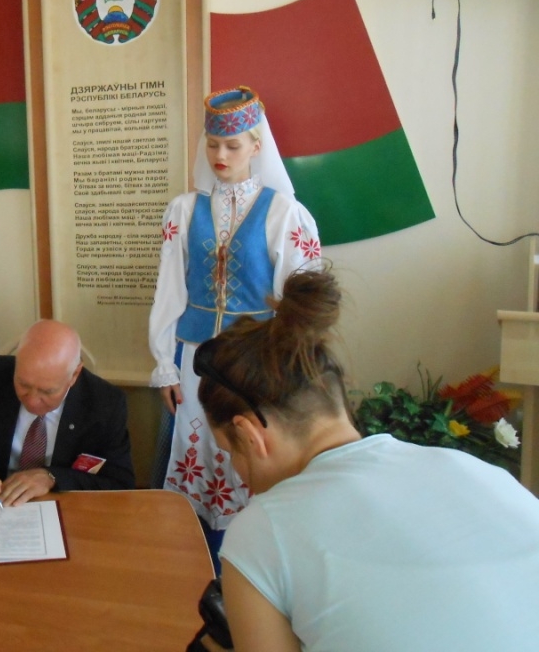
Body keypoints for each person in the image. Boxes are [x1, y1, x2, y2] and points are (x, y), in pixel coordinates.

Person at [197, 268, 539, 651]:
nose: (236, 470)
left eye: (229, 451)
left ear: (250, 435)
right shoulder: (476, 470)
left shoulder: (263, 530)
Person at [148, 86, 321, 569]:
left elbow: (300, 303)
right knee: (194, 452)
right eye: (212, 144)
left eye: (232, 145)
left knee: (249, 455)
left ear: (256, 146)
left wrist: (283, 368)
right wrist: (164, 364)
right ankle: (188, 566)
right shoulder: (184, 210)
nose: (220, 155)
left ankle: (248, 571)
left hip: (254, 363)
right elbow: (168, 291)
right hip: (192, 360)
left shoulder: (284, 213)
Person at [0, 319, 134, 509]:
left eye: (47, 391)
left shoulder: (105, 403)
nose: (32, 401)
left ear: (74, 375)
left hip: (67, 511)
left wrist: (52, 477)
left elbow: (119, 482)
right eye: (23, 384)